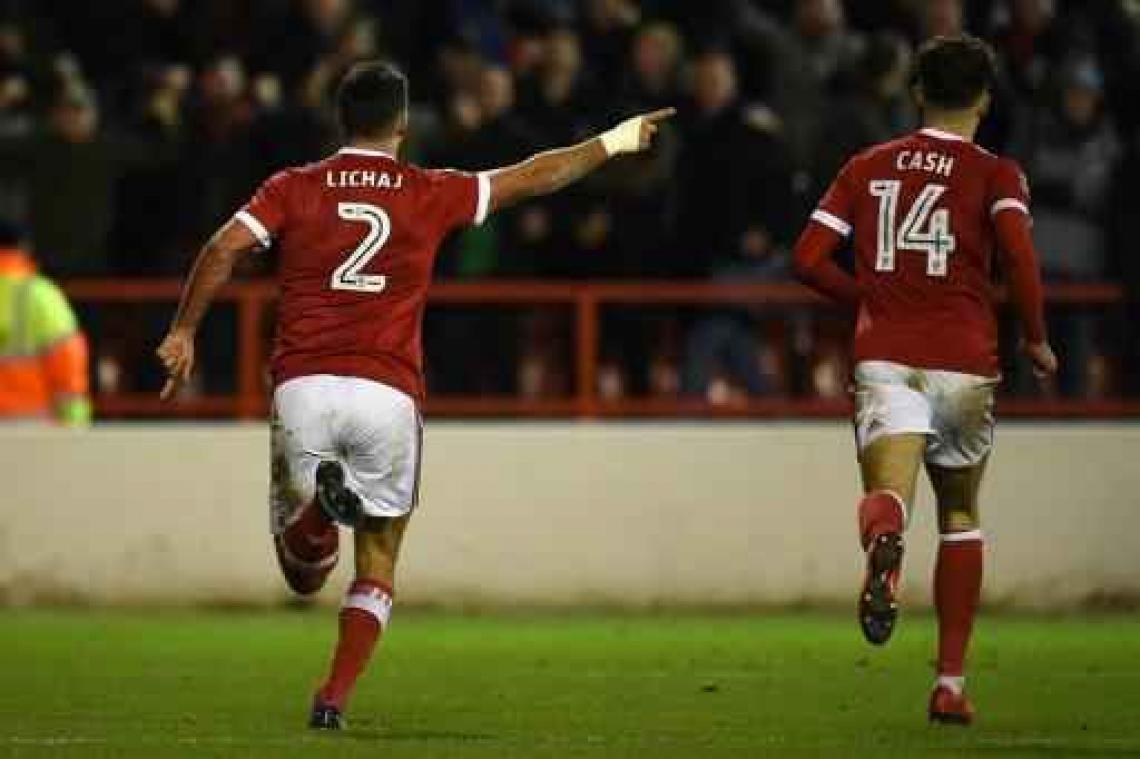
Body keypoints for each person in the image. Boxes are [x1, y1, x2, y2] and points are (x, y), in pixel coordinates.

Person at [155, 60, 672, 730]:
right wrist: (614, 139)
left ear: (340, 119)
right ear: (402, 122)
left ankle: (317, 518)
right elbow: (533, 175)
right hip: (387, 391)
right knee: (378, 560)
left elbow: (223, 247)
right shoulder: (428, 190)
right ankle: (333, 697)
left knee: (302, 573)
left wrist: (185, 330)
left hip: (303, 384)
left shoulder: (293, 186)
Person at [792, 35, 1057, 725]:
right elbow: (1022, 259)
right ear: (984, 100)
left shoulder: (867, 166)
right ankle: (949, 682)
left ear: (917, 92)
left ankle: (885, 540)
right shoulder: (996, 174)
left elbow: (807, 256)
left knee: (889, 494)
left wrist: (868, 300)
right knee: (962, 515)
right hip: (967, 359)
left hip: (886, 356)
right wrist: (1034, 336)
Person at [0, 218, 91, 426]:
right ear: (24, 248)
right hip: (33, 439)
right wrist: (76, 430)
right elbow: (69, 365)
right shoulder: (41, 297)